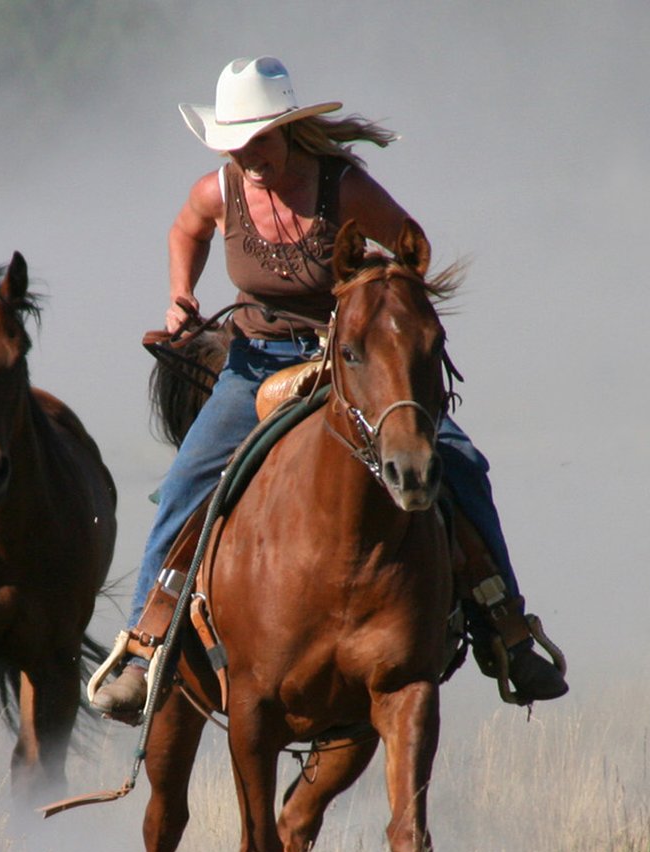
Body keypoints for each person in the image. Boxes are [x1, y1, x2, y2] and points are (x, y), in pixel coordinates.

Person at [90, 55, 568, 718]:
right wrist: (179, 296)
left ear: (286, 130)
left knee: (460, 463)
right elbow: (185, 230)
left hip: (350, 361)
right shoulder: (217, 191)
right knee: (182, 486)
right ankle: (144, 650)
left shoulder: (341, 189)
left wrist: (371, 301)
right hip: (253, 363)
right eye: (234, 143)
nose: (247, 155)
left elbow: (408, 244)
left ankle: (506, 630)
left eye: (257, 139)